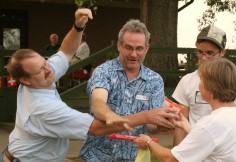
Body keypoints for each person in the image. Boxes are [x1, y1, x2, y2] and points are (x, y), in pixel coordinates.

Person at [1, 9, 179, 162]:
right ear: (24, 80)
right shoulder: (44, 108)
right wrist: (142, 116)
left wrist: (78, 27)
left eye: (45, 62)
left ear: (147, 48)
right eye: (40, 69)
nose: (49, 69)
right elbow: (96, 123)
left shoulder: (42, 75)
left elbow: (66, 51)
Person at [79, 19, 176, 162]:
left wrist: (160, 126)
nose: (134, 54)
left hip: (133, 158)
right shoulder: (104, 71)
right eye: (128, 48)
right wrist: (109, 115)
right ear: (119, 46)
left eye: (139, 48)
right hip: (96, 157)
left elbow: (150, 123)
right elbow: (98, 102)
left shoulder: (154, 80)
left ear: (147, 48)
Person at [134, 57, 236, 162]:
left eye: (201, 81)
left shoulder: (210, 123)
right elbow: (209, 138)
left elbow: (171, 158)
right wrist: (185, 125)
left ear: (210, 87)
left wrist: (148, 142)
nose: (198, 85)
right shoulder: (229, 116)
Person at [172, 25, 227, 146]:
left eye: (210, 53)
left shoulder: (231, 82)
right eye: (200, 52)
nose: (203, 57)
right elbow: (181, 120)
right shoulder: (187, 81)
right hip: (193, 148)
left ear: (222, 52)